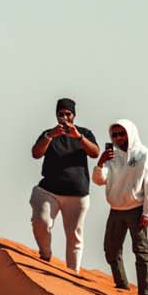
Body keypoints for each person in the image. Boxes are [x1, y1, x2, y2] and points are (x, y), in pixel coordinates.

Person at [29, 98, 100, 273]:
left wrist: (79, 137)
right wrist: (50, 136)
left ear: (74, 115)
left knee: (75, 236)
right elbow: (36, 153)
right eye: (61, 114)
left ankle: (71, 275)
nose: (65, 118)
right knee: (41, 222)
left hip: (77, 195)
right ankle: (45, 253)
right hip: (49, 191)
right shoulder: (49, 134)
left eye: (68, 114)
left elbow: (95, 153)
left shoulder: (84, 133)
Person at [92, 119, 148, 295]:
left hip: (137, 209)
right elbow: (99, 180)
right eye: (114, 135)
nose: (118, 138)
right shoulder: (111, 157)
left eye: (122, 133)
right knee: (111, 249)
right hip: (116, 209)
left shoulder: (143, 154)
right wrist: (100, 163)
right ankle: (121, 284)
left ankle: (145, 293)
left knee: (140, 251)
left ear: (130, 133)